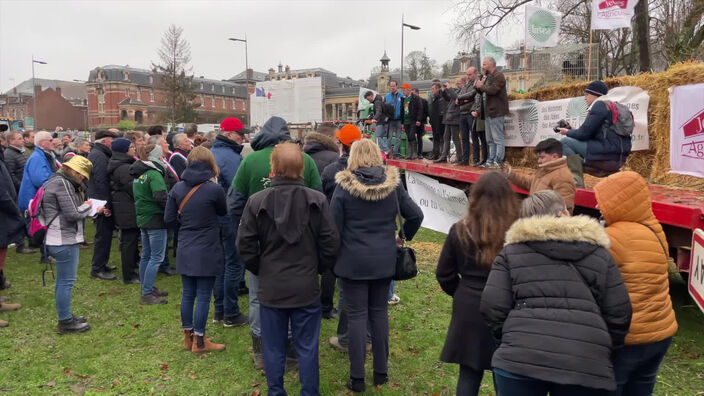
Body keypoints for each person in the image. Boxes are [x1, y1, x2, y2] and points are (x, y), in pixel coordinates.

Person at [481, 190, 633, 396]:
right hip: (584, 363)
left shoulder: (510, 254)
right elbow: (619, 312)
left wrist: (509, 337)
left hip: (520, 359)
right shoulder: (600, 255)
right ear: (562, 214)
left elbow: (492, 306)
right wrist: (601, 348)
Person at [238, 142, 340, 396]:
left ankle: (277, 392)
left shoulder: (259, 200)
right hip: (303, 285)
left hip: (274, 286)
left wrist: (262, 269)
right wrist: (316, 268)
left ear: (273, 168)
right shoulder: (315, 199)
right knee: (306, 346)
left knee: (273, 347)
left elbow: (245, 245)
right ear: (301, 168)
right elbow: (330, 243)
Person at [228, 115, 322, 370]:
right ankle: (292, 352)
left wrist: (247, 230)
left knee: (258, 299)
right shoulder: (306, 160)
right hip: (302, 247)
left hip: (262, 244)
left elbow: (234, 203)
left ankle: (261, 352)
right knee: (298, 300)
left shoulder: (249, 161)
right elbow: (318, 203)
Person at [330, 139, 423, 393]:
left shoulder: (344, 187)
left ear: (353, 157)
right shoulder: (392, 185)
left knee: (358, 317)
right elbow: (416, 214)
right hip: (383, 259)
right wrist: (403, 236)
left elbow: (333, 228)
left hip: (352, 261)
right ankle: (381, 373)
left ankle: (357, 378)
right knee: (379, 313)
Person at [593, 171, 678, 396]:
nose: (598, 206)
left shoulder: (615, 237)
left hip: (630, 336)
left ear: (617, 202)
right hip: (660, 331)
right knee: (642, 387)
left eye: (602, 201)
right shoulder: (654, 228)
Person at [436, 172, 519, 396]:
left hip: (471, 307)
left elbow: (444, 273)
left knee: (470, 373)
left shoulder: (461, 229)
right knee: (504, 374)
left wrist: (462, 293)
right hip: (505, 305)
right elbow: (444, 274)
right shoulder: (517, 232)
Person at [164, 146, 227, 353]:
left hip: (185, 243)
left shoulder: (177, 188)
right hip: (207, 245)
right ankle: (199, 341)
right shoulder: (214, 189)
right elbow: (222, 211)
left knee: (188, 293)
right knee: (203, 295)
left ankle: (187, 337)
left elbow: (169, 219)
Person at [42, 156, 105, 334]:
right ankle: (65, 321)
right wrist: (89, 206)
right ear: (75, 172)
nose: (83, 180)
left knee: (64, 281)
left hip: (59, 236)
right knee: (66, 282)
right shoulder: (62, 184)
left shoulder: (56, 180)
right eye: (83, 176)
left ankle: (66, 316)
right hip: (62, 238)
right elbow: (72, 213)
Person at [320, 124, 362, 350]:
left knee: (341, 283)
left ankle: (344, 334)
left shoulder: (330, 172)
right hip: (364, 239)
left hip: (337, 232)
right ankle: (363, 336)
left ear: (341, 145)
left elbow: (324, 199)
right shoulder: (375, 172)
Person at [211, 117, 248, 327]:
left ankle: (219, 310)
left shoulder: (215, 152)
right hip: (230, 216)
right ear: (228, 134)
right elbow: (239, 188)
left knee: (221, 264)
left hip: (216, 215)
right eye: (240, 134)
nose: (243, 137)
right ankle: (231, 313)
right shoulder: (230, 157)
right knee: (233, 263)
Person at [557, 81, 632, 187]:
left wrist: (567, 132)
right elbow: (590, 134)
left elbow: (583, 134)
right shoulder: (611, 106)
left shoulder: (599, 105)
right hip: (618, 159)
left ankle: (576, 181)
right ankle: (610, 173)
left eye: (587, 94)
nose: (585, 97)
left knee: (564, 142)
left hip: (605, 157)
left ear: (596, 94)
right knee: (574, 143)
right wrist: (573, 130)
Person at [303, 122, 340, 320]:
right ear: (330, 138)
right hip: (328, 214)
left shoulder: (302, 156)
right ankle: (326, 306)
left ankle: (308, 299)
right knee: (328, 262)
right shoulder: (334, 159)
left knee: (306, 258)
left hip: (302, 214)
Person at [130, 143, 169, 305]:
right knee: (156, 257)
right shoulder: (154, 174)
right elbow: (160, 196)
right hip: (155, 218)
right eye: (161, 155)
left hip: (143, 217)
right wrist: (170, 211)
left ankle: (147, 287)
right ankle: (147, 294)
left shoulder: (139, 174)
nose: (163, 158)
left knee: (146, 255)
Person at [18, 131, 60, 264]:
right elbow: (40, 179)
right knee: (42, 227)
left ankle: (48, 253)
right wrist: (58, 181)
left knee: (46, 226)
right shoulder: (37, 157)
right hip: (35, 199)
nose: (53, 142)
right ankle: (46, 255)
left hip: (40, 198)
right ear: (42, 143)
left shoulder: (45, 155)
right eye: (50, 140)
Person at [504, 138, 576, 213]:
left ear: (554, 156)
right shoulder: (546, 171)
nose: (539, 161)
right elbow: (530, 182)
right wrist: (510, 174)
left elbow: (564, 211)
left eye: (542, 157)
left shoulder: (562, 176)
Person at [86, 130, 119, 280]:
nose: (114, 144)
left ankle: (102, 264)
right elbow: (101, 182)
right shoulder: (99, 156)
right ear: (105, 141)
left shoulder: (99, 153)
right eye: (112, 141)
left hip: (101, 200)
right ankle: (97, 268)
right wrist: (106, 205)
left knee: (105, 235)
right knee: (103, 235)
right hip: (101, 202)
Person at [108, 138, 140, 284]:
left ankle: (133, 266)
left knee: (131, 240)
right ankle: (129, 274)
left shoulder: (122, 164)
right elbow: (133, 188)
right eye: (131, 147)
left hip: (125, 207)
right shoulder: (123, 168)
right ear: (124, 150)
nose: (134, 149)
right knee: (129, 242)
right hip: (126, 209)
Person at [475, 57, 509, 168]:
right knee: (490, 139)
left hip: (497, 111)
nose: (483, 66)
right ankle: (490, 160)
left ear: (491, 64)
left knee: (497, 137)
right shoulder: (488, 77)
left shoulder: (499, 76)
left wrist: (482, 86)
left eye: (484, 64)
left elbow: (493, 90)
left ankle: (498, 160)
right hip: (488, 111)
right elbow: (481, 91)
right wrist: (478, 86)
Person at [456, 67, 480, 165]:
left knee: (474, 137)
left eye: (469, 74)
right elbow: (459, 97)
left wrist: (462, 98)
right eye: (467, 74)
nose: (468, 76)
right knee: (464, 138)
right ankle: (465, 159)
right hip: (462, 114)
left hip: (470, 113)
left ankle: (476, 159)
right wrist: (463, 99)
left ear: (475, 74)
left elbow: (472, 95)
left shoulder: (477, 84)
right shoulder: (466, 85)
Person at [437, 80, 462, 164]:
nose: (457, 85)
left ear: (463, 83)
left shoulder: (462, 91)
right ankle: (444, 156)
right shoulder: (456, 90)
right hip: (449, 117)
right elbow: (448, 98)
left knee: (455, 138)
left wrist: (449, 88)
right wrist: (443, 91)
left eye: (458, 83)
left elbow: (456, 97)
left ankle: (459, 157)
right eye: (457, 83)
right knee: (446, 137)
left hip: (455, 117)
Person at [401, 84, 424, 160]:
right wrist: (402, 122)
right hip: (406, 121)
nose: (403, 92)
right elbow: (402, 111)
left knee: (412, 136)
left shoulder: (415, 98)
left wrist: (418, 119)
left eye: (404, 90)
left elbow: (420, 109)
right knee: (409, 137)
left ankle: (414, 153)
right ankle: (409, 153)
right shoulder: (403, 99)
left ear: (408, 90)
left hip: (413, 120)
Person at [384, 81, 405, 158]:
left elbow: (404, 108)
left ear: (397, 86)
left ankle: (396, 153)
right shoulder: (387, 96)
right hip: (390, 120)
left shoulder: (402, 96)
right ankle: (388, 153)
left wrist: (403, 121)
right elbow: (384, 108)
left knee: (398, 138)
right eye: (391, 86)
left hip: (399, 120)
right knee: (389, 138)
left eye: (394, 86)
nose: (392, 88)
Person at [364, 91, 389, 155]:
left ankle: (386, 150)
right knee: (381, 136)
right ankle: (383, 150)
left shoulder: (377, 102)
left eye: (368, 99)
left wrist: (374, 118)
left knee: (378, 136)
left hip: (381, 122)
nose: (368, 100)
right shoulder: (378, 100)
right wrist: (371, 116)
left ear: (371, 96)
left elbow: (378, 111)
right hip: (384, 121)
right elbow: (377, 111)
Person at [428, 82, 448, 161]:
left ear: (437, 89)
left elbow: (441, 111)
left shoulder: (441, 97)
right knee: (435, 138)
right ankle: (435, 154)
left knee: (441, 138)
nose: (432, 90)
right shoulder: (434, 97)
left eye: (433, 89)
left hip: (440, 122)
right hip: (434, 121)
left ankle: (441, 154)